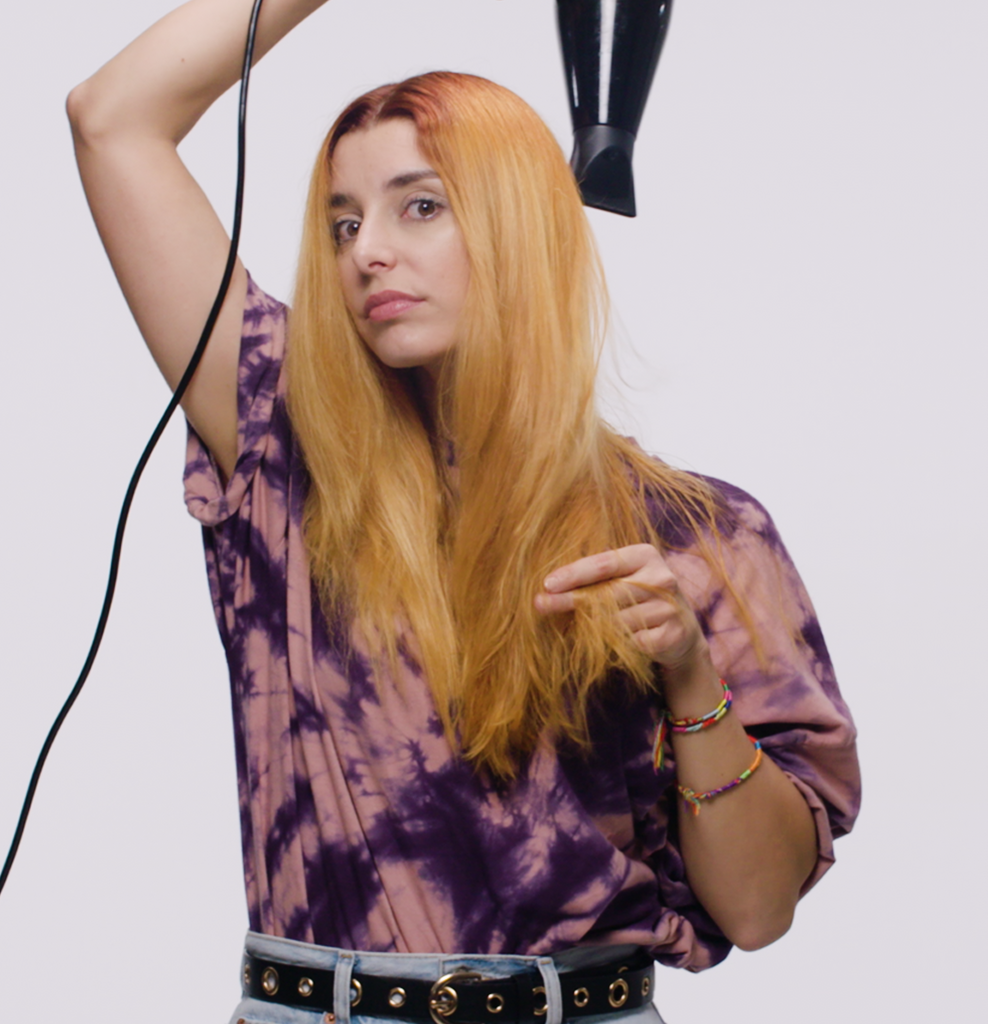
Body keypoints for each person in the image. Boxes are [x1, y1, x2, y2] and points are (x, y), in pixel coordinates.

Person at [66, 1, 860, 1022]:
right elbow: (113, 118)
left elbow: (755, 908)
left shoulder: (702, 535)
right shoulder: (279, 434)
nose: (367, 251)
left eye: (419, 206)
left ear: (519, 223)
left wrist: (687, 670)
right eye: (344, 222)